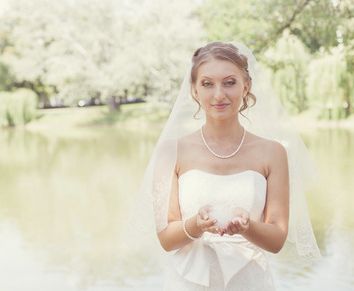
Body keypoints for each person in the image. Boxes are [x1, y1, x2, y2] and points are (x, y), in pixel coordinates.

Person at [130, 41, 320, 290]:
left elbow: (276, 240)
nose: (218, 94)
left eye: (229, 82)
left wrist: (247, 227)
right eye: (207, 84)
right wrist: (196, 225)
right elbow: (166, 239)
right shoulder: (171, 152)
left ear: (246, 87)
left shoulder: (273, 153)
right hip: (187, 281)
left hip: (250, 280)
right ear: (195, 91)